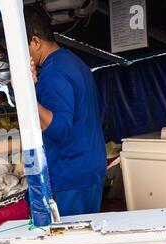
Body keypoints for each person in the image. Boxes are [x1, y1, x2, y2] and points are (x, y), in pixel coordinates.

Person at [24, 5, 107, 216]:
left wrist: (27, 93)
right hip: (89, 168)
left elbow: (60, 129)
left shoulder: (54, 74)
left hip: (70, 175)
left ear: (35, 41)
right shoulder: (73, 62)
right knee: (84, 241)